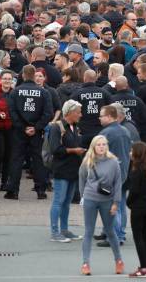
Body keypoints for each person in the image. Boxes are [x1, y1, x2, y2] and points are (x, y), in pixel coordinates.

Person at [5, 65, 53, 200]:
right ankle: (41, 190)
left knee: (16, 160)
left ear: (23, 76)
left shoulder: (15, 92)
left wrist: (22, 127)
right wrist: (36, 127)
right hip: (36, 132)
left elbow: (12, 112)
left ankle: (12, 191)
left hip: (19, 131)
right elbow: (48, 113)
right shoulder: (43, 92)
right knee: (38, 160)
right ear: (33, 76)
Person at [79, 135, 124, 276]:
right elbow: (81, 178)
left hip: (107, 200)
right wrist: (83, 196)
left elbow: (118, 183)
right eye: (99, 144)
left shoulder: (113, 162)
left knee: (110, 231)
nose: (101, 147)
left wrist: (116, 202)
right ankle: (85, 263)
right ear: (94, 146)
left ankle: (119, 260)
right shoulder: (88, 161)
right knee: (88, 231)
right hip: (90, 199)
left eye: (104, 144)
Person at [49, 100, 86, 243]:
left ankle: (64, 230)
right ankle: (54, 232)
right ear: (69, 112)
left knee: (66, 202)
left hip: (72, 169)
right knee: (58, 201)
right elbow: (55, 149)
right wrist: (74, 150)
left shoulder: (75, 127)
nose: (80, 115)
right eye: (78, 112)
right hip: (61, 169)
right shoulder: (57, 127)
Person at [98, 104, 132, 246]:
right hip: (123, 171)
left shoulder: (107, 133)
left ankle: (115, 236)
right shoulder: (125, 130)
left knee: (112, 206)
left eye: (102, 116)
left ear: (110, 116)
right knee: (120, 204)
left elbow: (99, 155)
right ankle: (118, 234)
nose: (99, 118)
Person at [126, 141, 146, 278]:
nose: (130, 153)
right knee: (145, 236)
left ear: (137, 153)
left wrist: (129, 202)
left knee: (138, 237)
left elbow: (133, 191)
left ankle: (144, 268)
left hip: (138, 207)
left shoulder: (136, 171)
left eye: (132, 151)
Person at [70, 69, 112, 148]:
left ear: (84, 78)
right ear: (96, 79)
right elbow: (112, 110)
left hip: (83, 132)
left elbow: (70, 112)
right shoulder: (104, 93)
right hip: (100, 132)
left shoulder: (77, 94)